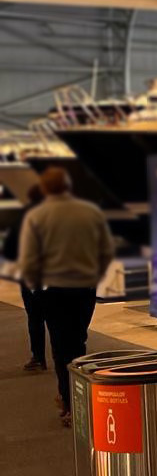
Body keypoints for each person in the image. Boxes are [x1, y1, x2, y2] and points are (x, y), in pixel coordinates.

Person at [18, 168, 114, 426]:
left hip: (54, 291)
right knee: (79, 341)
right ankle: (83, 398)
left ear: (45, 189)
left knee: (60, 347)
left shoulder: (37, 216)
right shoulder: (90, 212)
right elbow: (106, 250)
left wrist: (35, 287)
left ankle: (69, 402)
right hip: (84, 288)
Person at [4, 183, 47, 372]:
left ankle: (38, 357)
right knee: (58, 319)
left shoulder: (24, 217)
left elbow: (10, 249)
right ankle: (66, 359)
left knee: (35, 317)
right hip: (58, 275)